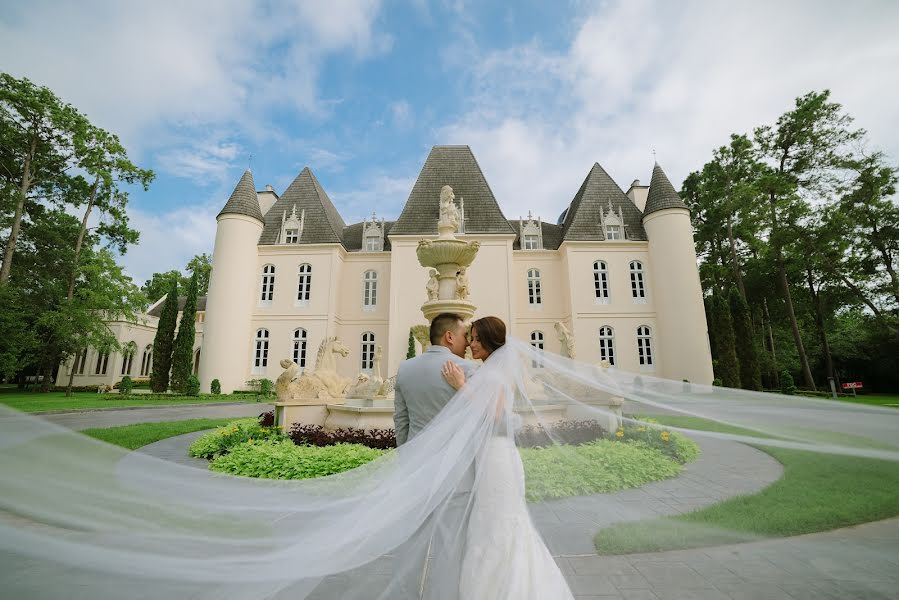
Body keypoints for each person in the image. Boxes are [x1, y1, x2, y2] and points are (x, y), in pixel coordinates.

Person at [441, 316, 576, 599]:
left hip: (496, 457)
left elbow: (497, 416)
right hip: (491, 453)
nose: (472, 345)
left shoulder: (495, 375)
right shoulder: (491, 370)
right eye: (472, 338)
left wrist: (460, 386)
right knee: (492, 520)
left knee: (496, 521)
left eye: (477, 339)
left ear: (490, 342)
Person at [393, 312, 479, 598]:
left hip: (416, 468)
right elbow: (481, 417)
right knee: (450, 544)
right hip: (457, 470)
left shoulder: (406, 369)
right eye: (464, 335)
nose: (467, 342)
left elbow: (401, 422)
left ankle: (407, 592)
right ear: (449, 336)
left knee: (412, 540)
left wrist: (407, 462)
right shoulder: (468, 369)